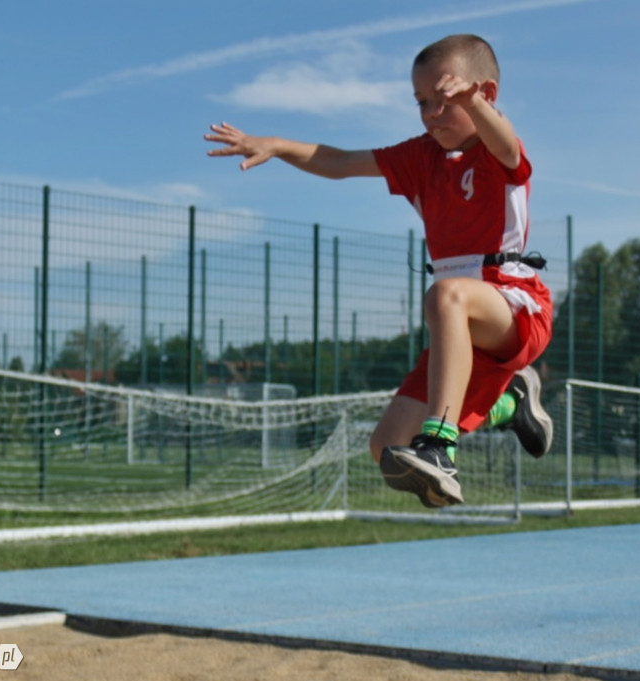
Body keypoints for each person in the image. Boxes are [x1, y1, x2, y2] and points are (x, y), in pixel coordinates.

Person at [205, 33, 553, 508]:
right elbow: (341, 162)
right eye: (422, 102)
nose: (431, 113)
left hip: (513, 305)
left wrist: (475, 107)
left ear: (485, 94)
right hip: (461, 326)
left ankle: (441, 449)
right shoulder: (419, 158)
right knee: (386, 446)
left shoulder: (499, 153)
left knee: (446, 295)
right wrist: (277, 144)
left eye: (445, 100)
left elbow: (506, 142)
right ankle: (511, 404)